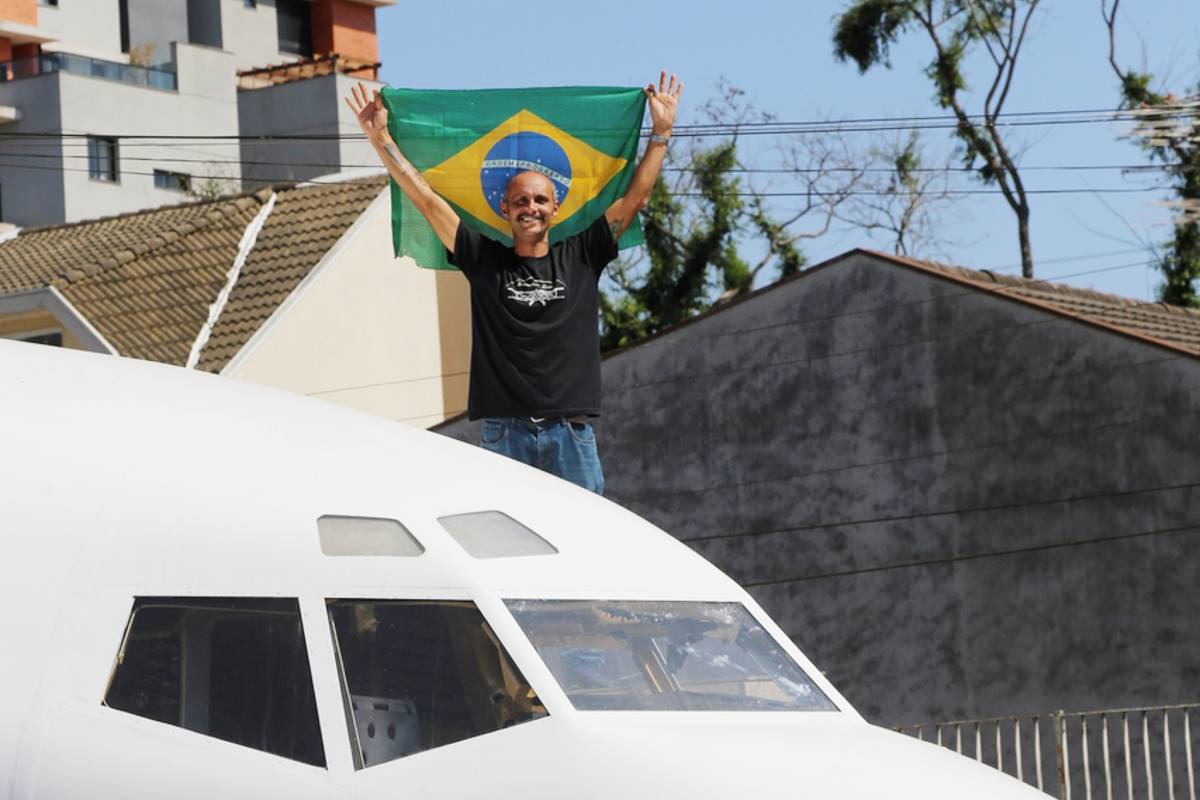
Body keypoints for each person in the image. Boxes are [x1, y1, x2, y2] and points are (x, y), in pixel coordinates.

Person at [347, 73, 682, 495]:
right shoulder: (483, 259)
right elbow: (427, 200)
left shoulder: (584, 254)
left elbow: (634, 198)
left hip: (571, 438)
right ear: (503, 207)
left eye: (540, 200)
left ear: (555, 207)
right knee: (507, 553)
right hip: (505, 438)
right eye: (521, 201)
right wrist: (381, 140)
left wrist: (661, 133)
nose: (531, 208)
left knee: (585, 548)